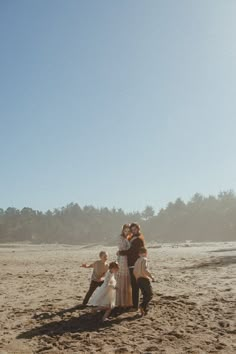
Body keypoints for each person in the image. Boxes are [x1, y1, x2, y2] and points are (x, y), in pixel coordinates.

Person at [118, 223, 145, 310]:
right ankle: (134, 304)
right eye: (132, 230)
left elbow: (132, 251)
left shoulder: (138, 239)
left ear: (138, 229)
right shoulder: (133, 237)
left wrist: (121, 252)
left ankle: (135, 306)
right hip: (131, 263)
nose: (133, 231)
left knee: (135, 285)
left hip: (134, 264)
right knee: (134, 284)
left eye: (135, 229)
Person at [134, 247, 154, 316]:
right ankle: (142, 306)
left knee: (145, 295)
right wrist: (151, 277)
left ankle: (144, 310)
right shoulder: (144, 259)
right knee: (150, 294)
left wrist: (137, 278)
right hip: (144, 279)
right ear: (146, 253)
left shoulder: (137, 261)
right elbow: (144, 270)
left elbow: (134, 271)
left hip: (139, 279)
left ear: (139, 254)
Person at [116, 224, 132, 308]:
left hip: (126, 258)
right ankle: (121, 302)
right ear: (123, 230)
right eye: (125, 231)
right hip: (123, 260)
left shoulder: (127, 238)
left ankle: (127, 301)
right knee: (123, 278)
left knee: (126, 279)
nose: (127, 232)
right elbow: (122, 249)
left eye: (128, 231)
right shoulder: (121, 238)